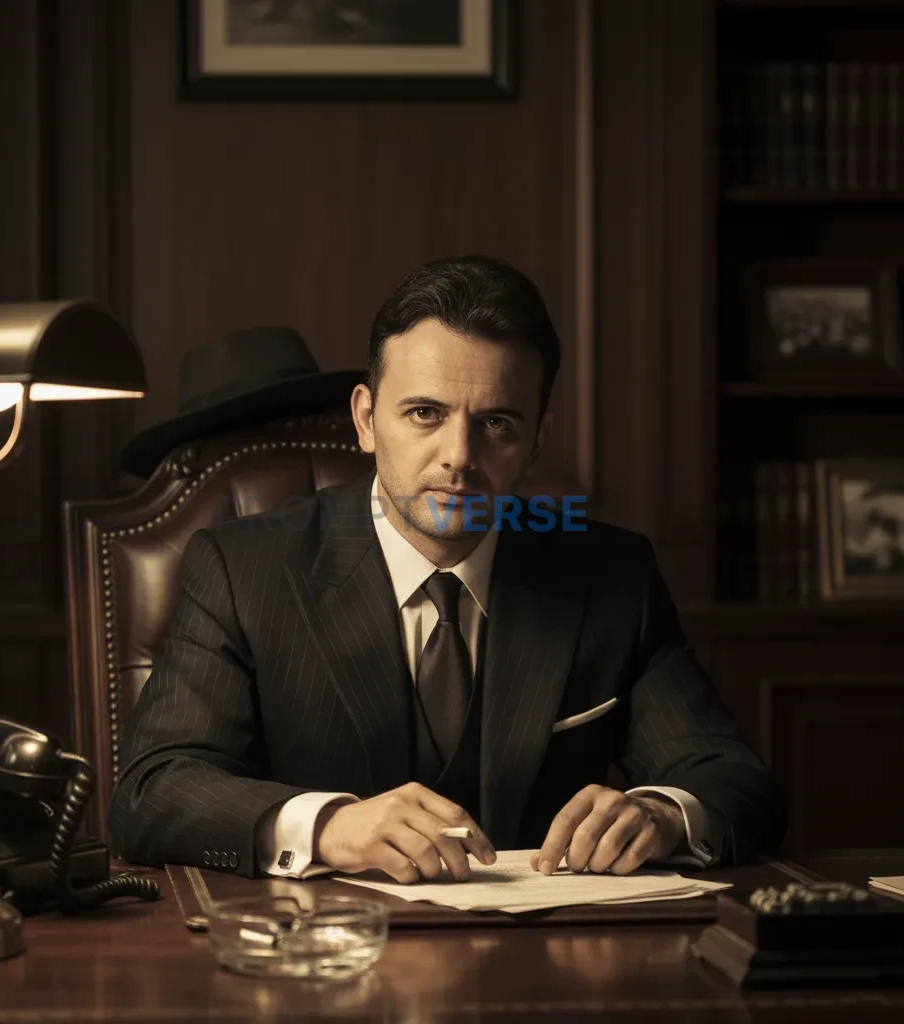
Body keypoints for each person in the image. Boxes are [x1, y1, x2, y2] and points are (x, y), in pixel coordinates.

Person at [109, 254, 786, 883]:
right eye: (425, 414)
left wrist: (665, 815)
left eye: (496, 424)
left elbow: (734, 780)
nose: (459, 455)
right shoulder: (241, 569)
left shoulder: (613, 575)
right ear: (368, 420)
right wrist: (330, 827)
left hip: (553, 967)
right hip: (322, 964)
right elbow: (154, 790)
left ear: (537, 440)